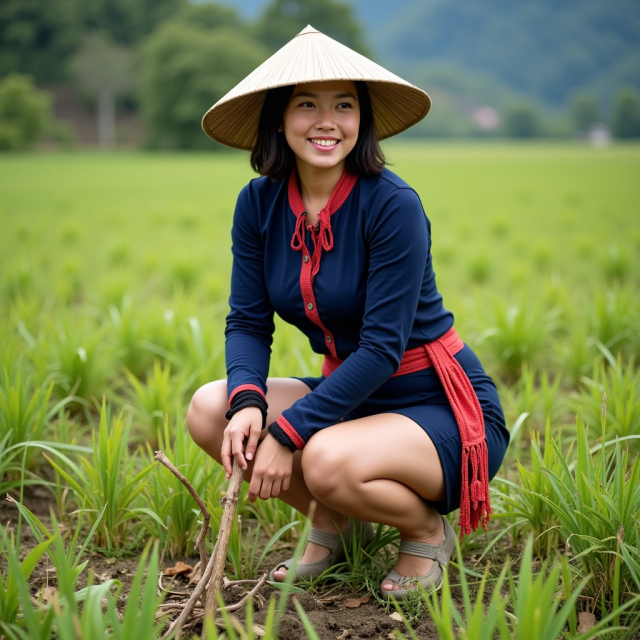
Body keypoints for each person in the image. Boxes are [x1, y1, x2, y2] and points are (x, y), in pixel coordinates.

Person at [187, 26, 509, 600]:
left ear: (362, 119)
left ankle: (424, 531)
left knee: (325, 457)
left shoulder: (392, 206)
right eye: (306, 104)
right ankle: (337, 523)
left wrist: (287, 434)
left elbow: (383, 349)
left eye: (344, 104)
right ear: (278, 119)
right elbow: (248, 321)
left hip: (435, 402)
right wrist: (249, 402)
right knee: (212, 411)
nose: (326, 121)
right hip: (351, 394)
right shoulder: (258, 204)